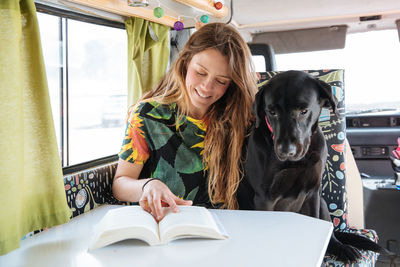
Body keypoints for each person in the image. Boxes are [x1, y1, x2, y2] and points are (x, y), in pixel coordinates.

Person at [112, 22, 258, 221]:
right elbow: (121, 184)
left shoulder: (240, 119)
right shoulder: (147, 115)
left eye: (221, 81)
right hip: (167, 223)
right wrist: (148, 185)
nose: (206, 87)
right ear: (185, 62)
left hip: (223, 224)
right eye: (200, 73)